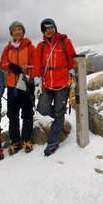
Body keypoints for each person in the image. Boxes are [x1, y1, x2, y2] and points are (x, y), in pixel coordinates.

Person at [33, 18, 76, 156]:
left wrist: (72, 73)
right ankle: (60, 116)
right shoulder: (41, 46)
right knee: (42, 108)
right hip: (46, 84)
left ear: (55, 27)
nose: (49, 30)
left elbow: (72, 58)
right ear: (43, 31)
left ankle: (52, 141)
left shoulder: (65, 42)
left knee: (58, 112)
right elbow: (37, 64)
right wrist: (37, 82)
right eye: (45, 28)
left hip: (62, 83)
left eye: (51, 27)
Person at [0, 21, 36, 154]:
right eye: (14, 30)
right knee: (12, 114)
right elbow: (2, 63)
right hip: (11, 87)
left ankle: (26, 139)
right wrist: (10, 66)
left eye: (20, 29)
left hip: (25, 85)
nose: (17, 32)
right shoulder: (7, 48)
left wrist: (29, 77)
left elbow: (35, 64)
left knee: (27, 113)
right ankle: (15, 142)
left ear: (23, 31)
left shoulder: (30, 47)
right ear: (11, 33)